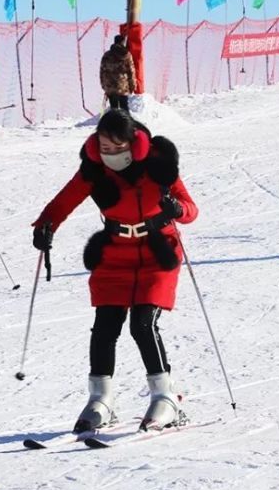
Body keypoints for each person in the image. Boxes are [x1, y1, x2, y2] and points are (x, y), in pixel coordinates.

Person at [32, 109, 198, 434]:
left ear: (134, 145)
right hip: (115, 252)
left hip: (156, 250)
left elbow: (190, 208)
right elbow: (63, 201)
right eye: (104, 147)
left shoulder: (158, 166)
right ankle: (101, 400)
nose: (110, 154)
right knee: (106, 325)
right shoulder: (94, 172)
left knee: (142, 323)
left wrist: (176, 209)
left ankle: (165, 398)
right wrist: (45, 225)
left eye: (117, 147)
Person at [99, 34, 136, 112]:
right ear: (123, 42)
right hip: (122, 86)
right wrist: (132, 85)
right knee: (124, 109)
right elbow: (131, 72)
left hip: (110, 86)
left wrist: (104, 86)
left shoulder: (107, 55)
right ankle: (125, 123)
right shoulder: (126, 55)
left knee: (114, 109)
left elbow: (102, 71)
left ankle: (115, 123)